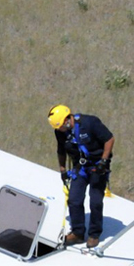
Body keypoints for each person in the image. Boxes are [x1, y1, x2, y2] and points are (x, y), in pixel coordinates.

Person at [49, 104, 114, 248]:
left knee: (95, 201)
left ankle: (94, 234)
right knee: (74, 199)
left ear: (67, 120)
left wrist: (103, 161)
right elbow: (61, 150)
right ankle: (78, 233)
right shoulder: (60, 132)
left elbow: (109, 139)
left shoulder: (90, 123)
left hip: (98, 166)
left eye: (61, 127)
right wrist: (62, 170)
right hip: (80, 167)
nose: (60, 130)